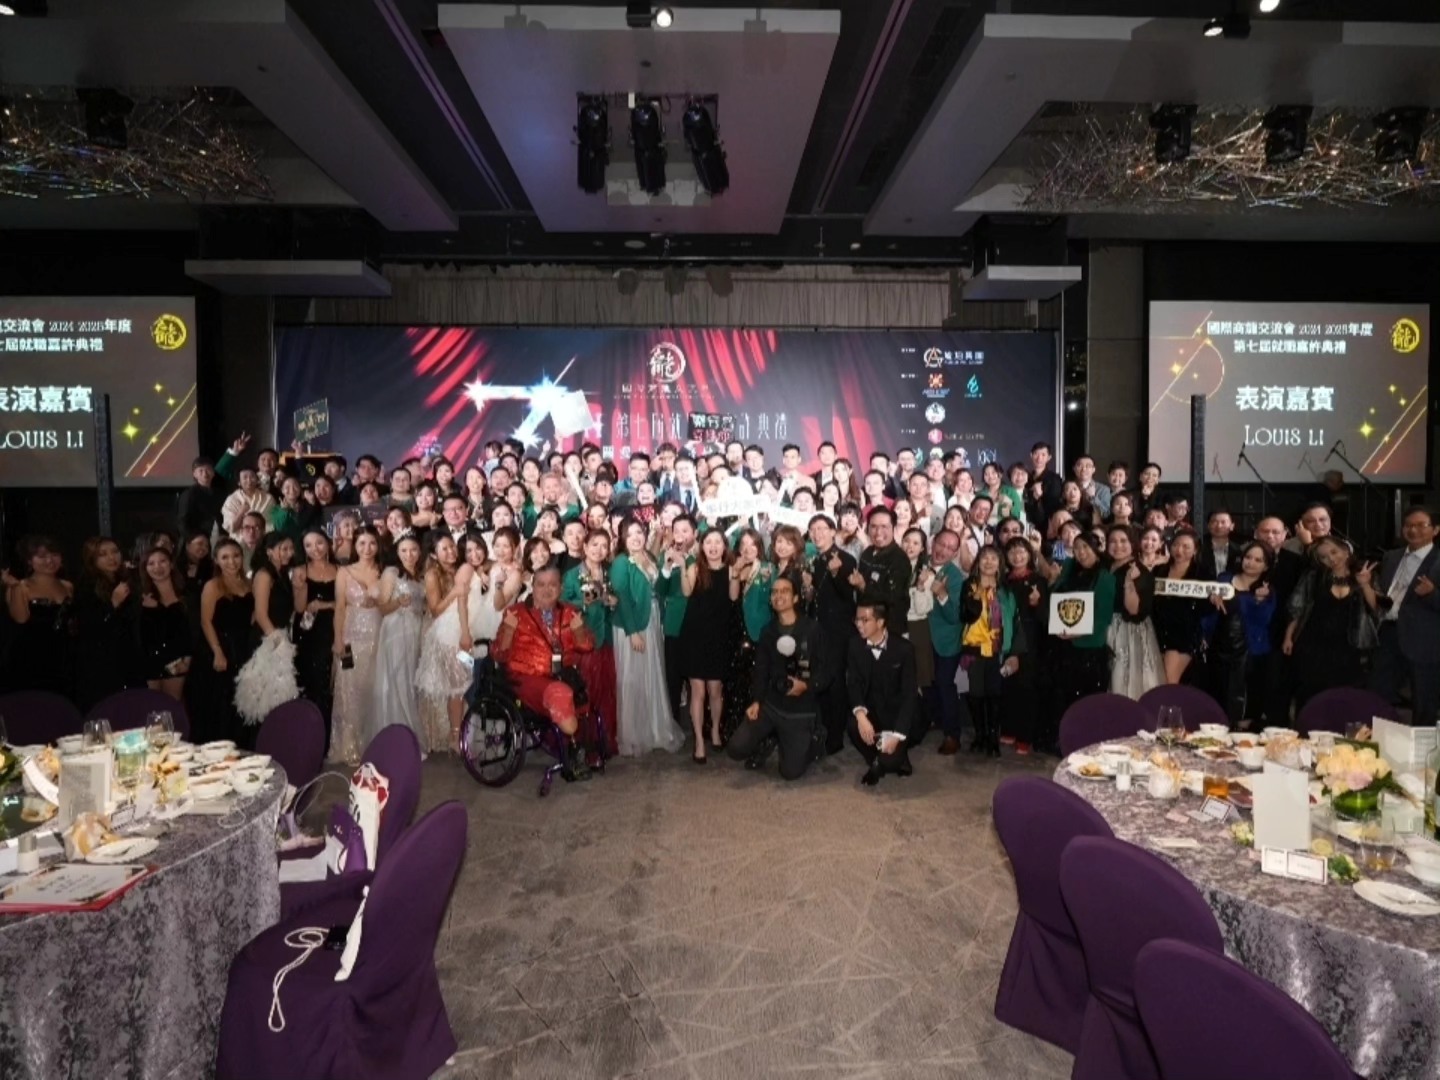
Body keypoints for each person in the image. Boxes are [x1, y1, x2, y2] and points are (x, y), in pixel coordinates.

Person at [491, 564, 596, 780]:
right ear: (532, 586)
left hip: (562, 676)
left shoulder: (570, 612)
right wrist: (509, 631)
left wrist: (578, 630)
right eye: (541, 584)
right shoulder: (515, 613)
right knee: (560, 693)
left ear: (561, 587)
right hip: (528, 679)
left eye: (552, 585)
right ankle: (574, 748)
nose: (547, 590)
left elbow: (587, 647)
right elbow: (499, 655)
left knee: (579, 689)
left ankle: (575, 748)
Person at [727, 575, 830, 780]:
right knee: (736, 748)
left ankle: (812, 740)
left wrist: (806, 686)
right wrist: (756, 701)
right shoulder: (768, 631)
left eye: (784, 591)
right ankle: (770, 739)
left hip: (800, 710)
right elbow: (761, 670)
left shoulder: (812, 630)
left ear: (795, 598)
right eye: (774, 592)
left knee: (790, 773)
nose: (778, 595)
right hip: (772, 704)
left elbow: (826, 672)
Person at [609, 520, 682, 757]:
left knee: (652, 673)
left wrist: (666, 569)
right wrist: (632, 632)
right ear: (622, 539)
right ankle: (633, 734)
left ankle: (654, 728)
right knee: (632, 678)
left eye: (639, 532)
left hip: (652, 619)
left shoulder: (649, 556)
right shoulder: (621, 562)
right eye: (629, 534)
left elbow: (659, 589)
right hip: (630, 625)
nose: (635, 537)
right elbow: (621, 597)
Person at [1285, 537, 1380, 708]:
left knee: (1345, 697)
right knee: (1310, 694)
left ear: (1346, 551)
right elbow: (1296, 607)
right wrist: (1288, 637)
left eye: (1334, 552)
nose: (1331, 559)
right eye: (1323, 556)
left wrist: (1365, 585)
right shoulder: (1313, 576)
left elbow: (1376, 609)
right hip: (1313, 644)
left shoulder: (1364, 574)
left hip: (1351, 646)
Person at [1371, 507, 1440, 727]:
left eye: (1421, 525)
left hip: (1423, 641)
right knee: (1379, 695)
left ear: (1435, 529)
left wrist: (1432, 593)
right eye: (1408, 525)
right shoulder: (1391, 556)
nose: (1413, 530)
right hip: (1387, 633)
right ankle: (1380, 743)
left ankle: (1422, 747)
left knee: (1424, 702)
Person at [958, 545, 1024, 758]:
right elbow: (967, 615)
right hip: (975, 648)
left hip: (998, 649)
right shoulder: (969, 585)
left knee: (995, 694)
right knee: (976, 693)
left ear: (1000, 564)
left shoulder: (1006, 589)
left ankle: (993, 738)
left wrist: (1014, 652)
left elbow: (1015, 620)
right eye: (984, 558)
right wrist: (979, 594)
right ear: (977, 563)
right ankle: (980, 735)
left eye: (993, 558)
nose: (988, 562)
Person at [416, 534, 477, 754]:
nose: (451, 551)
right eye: (445, 548)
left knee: (466, 680)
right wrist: (454, 593)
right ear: (434, 554)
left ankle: (461, 733)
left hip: (465, 633)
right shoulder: (432, 574)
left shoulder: (460, 568)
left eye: (452, 546)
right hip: (446, 637)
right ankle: (455, 736)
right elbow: (435, 610)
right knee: (457, 684)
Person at [561, 529, 619, 758]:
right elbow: (563, 604)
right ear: (584, 547)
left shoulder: (608, 572)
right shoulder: (572, 575)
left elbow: (614, 599)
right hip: (584, 641)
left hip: (606, 639)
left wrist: (612, 601)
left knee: (606, 692)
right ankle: (584, 743)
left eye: (604, 546)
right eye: (594, 544)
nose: (599, 550)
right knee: (586, 693)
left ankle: (604, 740)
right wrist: (587, 601)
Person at [846, 600, 917, 786]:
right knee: (853, 725)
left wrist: (898, 734)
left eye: (864, 620)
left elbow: (909, 695)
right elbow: (853, 684)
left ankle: (886, 760)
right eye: (856, 619)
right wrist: (861, 716)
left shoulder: (904, 649)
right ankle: (876, 760)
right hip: (873, 713)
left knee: (892, 761)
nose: (859, 624)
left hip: (897, 716)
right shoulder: (854, 645)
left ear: (880, 622)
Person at [679, 529, 734, 760]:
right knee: (698, 691)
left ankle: (715, 730)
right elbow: (686, 591)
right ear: (702, 546)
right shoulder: (695, 568)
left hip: (719, 636)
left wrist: (738, 573)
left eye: (717, 542)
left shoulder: (731, 570)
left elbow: (733, 597)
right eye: (708, 542)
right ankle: (699, 742)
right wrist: (682, 566)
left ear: (724, 546)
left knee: (715, 689)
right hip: (694, 636)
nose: (713, 546)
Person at [1207, 541, 1275, 727]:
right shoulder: (1224, 579)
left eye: (1258, 560)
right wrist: (1211, 598)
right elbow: (1208, 614)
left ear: (1266, 566)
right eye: (1248, 557)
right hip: (1219, 647)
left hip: (1250, 652)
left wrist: (1259, 601)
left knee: (1245, 703)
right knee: (1217, 698)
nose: (1251, 562)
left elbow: (1263, 622)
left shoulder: (1267, 589)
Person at [192, 538, 254, 744]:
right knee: (221, 704)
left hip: (243, 648)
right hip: (221, 646)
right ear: (216, 560)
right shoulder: (213, 586)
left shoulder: (248, 583)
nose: (231, 561)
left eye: (236, 556)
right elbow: (205, 621)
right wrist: (218, 652)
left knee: (241, 702)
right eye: (225, 557)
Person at [330, 526, 384, 763]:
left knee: (374, 689)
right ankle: (349, 747)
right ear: (355, 545)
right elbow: (340, 607)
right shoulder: (344, 571)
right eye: (362, 543)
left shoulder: (384, 571)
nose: (367, 548)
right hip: (351, 635)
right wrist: (338, 639)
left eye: (372, 543)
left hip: (378, 634)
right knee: (349, 689)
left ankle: (372, 744)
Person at [806, 514, 859, 753]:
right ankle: (825, 730)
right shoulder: (815, 560)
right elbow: (815, 598)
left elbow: (849, 595)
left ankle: (835, 737)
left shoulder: (845, 559)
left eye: (821, 528)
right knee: (821, 681)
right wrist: (808, 590)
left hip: (839, 632)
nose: (817, 533)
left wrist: (837, 574)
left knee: (836, 684)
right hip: (819, 631)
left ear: (832, 531)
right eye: (813, 530)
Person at [371, 533, 427, 753]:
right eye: (404, 550)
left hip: (415, 631)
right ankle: (395, 739)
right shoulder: (391, 573)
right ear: (397, 552)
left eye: (413, 550)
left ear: (419, 551)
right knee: (396, 681)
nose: (409, 554)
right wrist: (398, 602)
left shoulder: (421, 575)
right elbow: (382, 607)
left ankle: (408, 737)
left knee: (410, 681)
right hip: (395, 631)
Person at [1050, 534, 1116, 717]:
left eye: (1085, 547)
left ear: (1097, 549)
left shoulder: (1105, 577)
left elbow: (1104, 617)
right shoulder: (1069, 570)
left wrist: (1079, 632)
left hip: (1090, 647)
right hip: (1064, 645)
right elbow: (1056, 597)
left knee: (1089, 702)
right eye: (1077, 548)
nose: (1081, 552)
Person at [2, 535, 75, 697]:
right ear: (30, 561)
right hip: (30, 656)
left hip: (62, 655)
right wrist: (14, 587)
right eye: (41, 556)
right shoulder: (21, 586)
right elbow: (20, 619)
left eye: (54, 554)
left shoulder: (68, 586)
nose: (49, 560)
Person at [73, 537, 138, 710]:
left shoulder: (124, 580)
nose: (111, 557)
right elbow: (89, 628)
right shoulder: (87, 585)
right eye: (103, 554)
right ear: (92, 559)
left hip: (126, 658)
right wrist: (113, 604)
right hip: (101, 664)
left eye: (115, 552)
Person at [723, 528, 774, 746]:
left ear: (759, 547)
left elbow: (774, 599)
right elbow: (733, 596)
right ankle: (737, 728)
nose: (748, 549)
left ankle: (760, 733)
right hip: (736, 630)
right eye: (743, 544)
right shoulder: (733, 567)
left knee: (757, 681)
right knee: (737, 680)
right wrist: (736, 572)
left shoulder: (768, 568)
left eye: (752, 544)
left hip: (760, 632)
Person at [291, 529, 338, 749]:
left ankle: (328, 739)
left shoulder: (340, 570)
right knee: (311, 683)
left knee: (330, 683)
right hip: (308, 634)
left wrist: (324, 605)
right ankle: (310, 738)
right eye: (308, 545)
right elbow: (299, 608)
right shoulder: (300, 570)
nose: (315, 549)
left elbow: (346, 603)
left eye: (319, 543)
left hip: (333, 629)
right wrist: (300, 587)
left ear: (327, 543)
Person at [1104, 525, 1161, 700]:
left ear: (1133, 544)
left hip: (1128, 633)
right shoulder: (1106, 566)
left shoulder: (1139, 571)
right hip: (1105, 628)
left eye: (1123, 541)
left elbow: (1134, 611)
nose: (1118, 546)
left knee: (1125, 684)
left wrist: (1129, 582)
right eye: (1113, 541)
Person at [1000, 537, 1046, 753]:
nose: (1017, 556)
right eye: (1012, 552)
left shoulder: (1038, 580)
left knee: (1026, 686)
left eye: (1021, 552)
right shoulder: (1003, 581)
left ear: (1029, 554)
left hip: (1029, 639)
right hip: (1006, 637)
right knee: (1008, 684)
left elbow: (1044, 618)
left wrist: (1036, 604)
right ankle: (1009, 728)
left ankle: (1025, 736)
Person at [925, 530, 968, 754]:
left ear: (955, 553)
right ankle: (934, 719)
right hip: (922, 636)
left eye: (950, 548)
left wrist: (942, 594)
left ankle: (953, 735)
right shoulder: (919, 564)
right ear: (933, 543)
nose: (943, 551)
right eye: (941, 544)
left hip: (947, 640)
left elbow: (955, 616)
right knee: (927, 683)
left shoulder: (955, 576)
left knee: (944, 683)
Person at [655, 514, 697, 727]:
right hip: (672, 624)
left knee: (695, 677)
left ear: (694, 534)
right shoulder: (667, 556)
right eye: (676, 531)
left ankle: (696, 722)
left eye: (685, 531)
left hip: (693, 622)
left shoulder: (699, 558)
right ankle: (673, 722)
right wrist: (667, 567)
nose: (680, 536)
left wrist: (685, 561)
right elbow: (659, 590)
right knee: (673, 676)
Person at [1152, 531, 1210, 685]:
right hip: (1158, 632)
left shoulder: (1202, 574)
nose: (1179, 550)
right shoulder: (1159, 571)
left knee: (1168, 682)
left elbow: (1206, 609)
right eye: (1176, 545)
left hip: (1183, 635)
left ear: (1195, 550)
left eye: (1186, 547)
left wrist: (1213, 599)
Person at [135, 546, 191, 700]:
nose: (157, 567)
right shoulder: (139, 597)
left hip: (176, 660)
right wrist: (151, 611)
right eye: (151, 563)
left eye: (162, 561)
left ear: (171, 564)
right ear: (145, 568)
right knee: (152, 706)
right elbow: (142, 635)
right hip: (149, 661)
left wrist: (187, 660)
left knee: (173, 705)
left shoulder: (185, 595)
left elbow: (191, 631)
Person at [851, 506, 910, 631]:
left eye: (884, 527)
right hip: (864, 626)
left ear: (893, 528)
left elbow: (893, 598)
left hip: (889, 628)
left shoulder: (899, 559)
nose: (878, 532)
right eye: (873, 526)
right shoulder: (867, 553)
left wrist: (863, 586)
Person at [222, 467, 276, 540]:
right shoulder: (231, 500)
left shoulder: (268, 498)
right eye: (245, 477)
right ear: (239, 482)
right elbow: (230, 528)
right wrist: (241, 512)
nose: (249, 480)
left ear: (257, 480)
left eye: (252, 477)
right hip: (239, 542)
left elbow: (272, 524)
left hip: (263, 540)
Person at [1198, 509, 1240, 579]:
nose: (1219, 526)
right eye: (1214, 522)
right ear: (1208, 525)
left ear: (1232, 526)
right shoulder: (1199, 548)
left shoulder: (1239, 551)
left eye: (1223, 522)